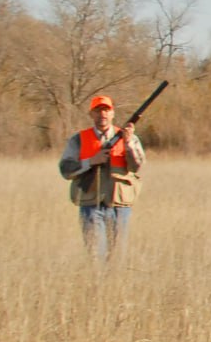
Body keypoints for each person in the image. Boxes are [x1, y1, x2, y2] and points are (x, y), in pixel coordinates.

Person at [58, 95, 145, 261]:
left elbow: (137, 166)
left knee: (118, 257)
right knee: (95, 256)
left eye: (106, 110)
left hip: (120, 205)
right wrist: (91, 161)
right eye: (98, 111)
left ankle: (115, 286)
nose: (102, 114)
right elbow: (65, 169)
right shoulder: (79, 139)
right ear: (91, 114)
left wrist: (128, 145)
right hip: (91, 205)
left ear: (112, 113)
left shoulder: (129, 137)